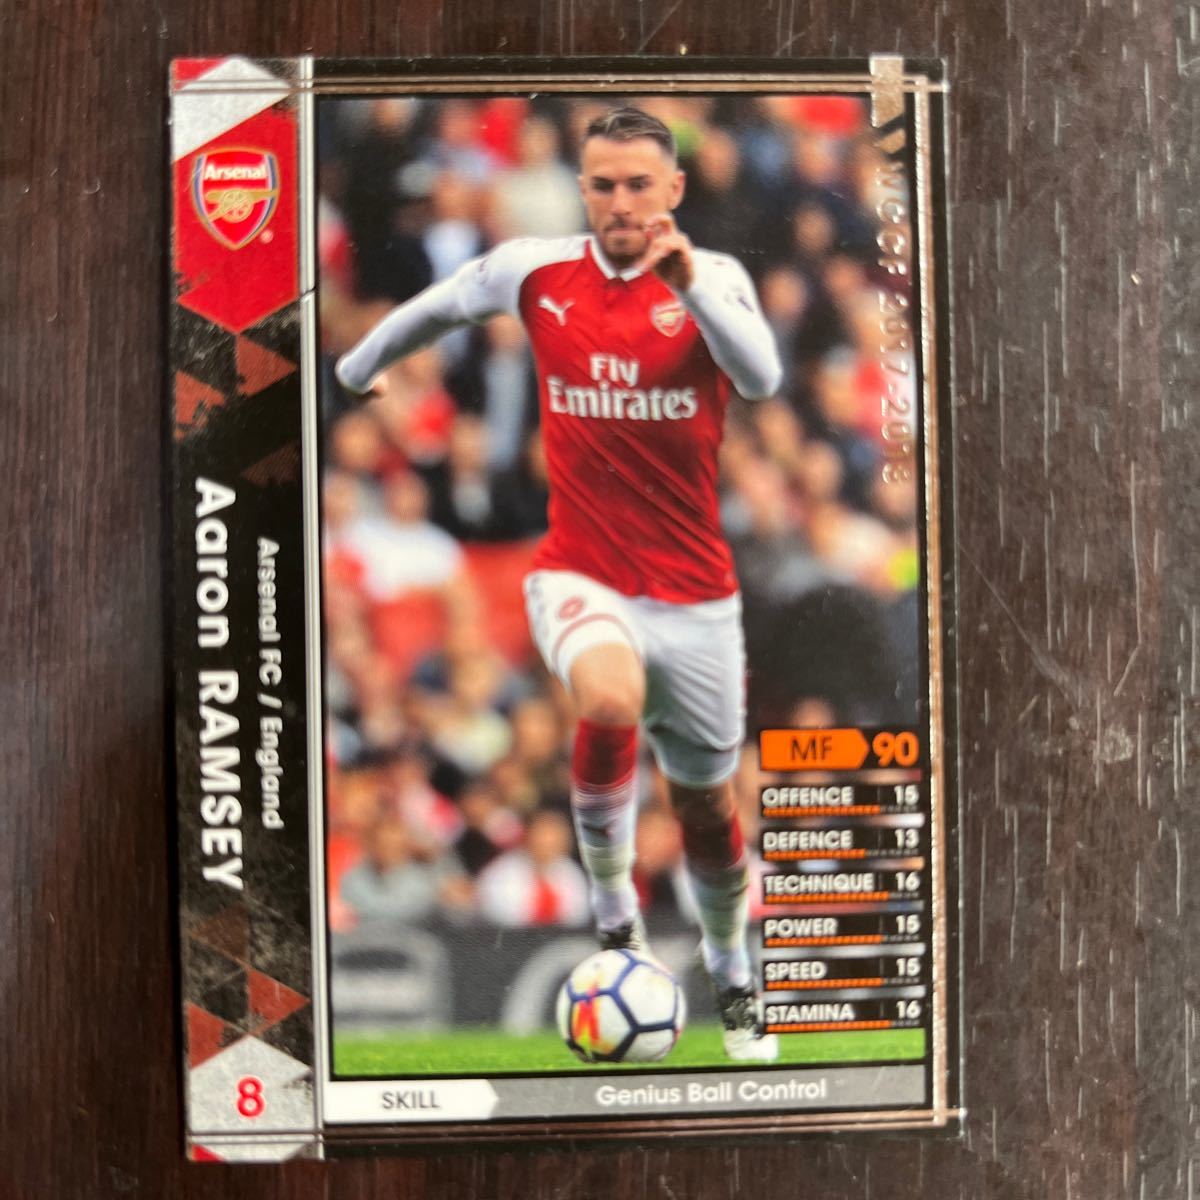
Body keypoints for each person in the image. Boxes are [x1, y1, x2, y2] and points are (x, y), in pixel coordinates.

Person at [337, 106, 782, 1061]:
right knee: (609, 700)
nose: (621, 202)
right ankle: (615, 914)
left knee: (707, 809)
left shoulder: (716, 280)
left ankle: (732, 971)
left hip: (695, 597)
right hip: (579, 571)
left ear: (673, 190)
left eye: (639, 185)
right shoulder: (536, 270)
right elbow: (443, 304)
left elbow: (761, 378)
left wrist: (691, 288)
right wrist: (360, 363)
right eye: (604, 184)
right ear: (583, 190)